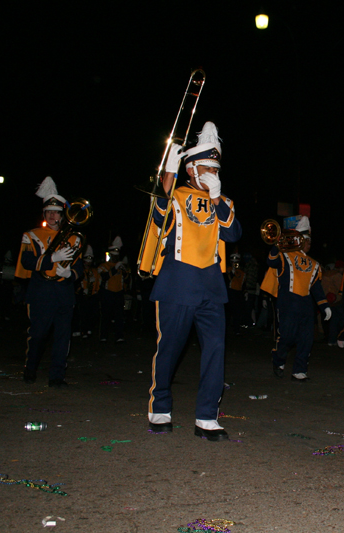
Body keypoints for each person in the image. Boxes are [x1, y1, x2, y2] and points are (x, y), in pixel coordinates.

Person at [145, 121, 241, 441]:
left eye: (216, 167)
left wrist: (216, 197)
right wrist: (167, 174)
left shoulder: (223, 201)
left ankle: (206, 417)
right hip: (177, 282)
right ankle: (160, 407)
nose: (212, 172)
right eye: (206, 166)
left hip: (212, 286)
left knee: (215, 348)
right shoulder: (174, 195)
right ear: (191, 169)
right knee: (170, 348)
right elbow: (158, 217)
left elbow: (233, 233)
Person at [15, 177, 84, 387]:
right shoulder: (31, 235)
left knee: (63, 338)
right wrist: (50, 259)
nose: (53, 216)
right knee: (37, 336)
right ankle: (30, 369)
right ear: (44, 214)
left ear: (63, 215)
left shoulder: (75, 238)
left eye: (57, 212)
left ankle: (57, 376)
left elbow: (79, 268)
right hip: (41, 292)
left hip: (64, 293)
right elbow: (26, 261)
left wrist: (69, 274)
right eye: (49, 212)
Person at [266, 216, 332, 381]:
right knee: (287, 336)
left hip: (305, 305)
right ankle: (279, 359)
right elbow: (271, 261)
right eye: (305, 240)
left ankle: (299, 370)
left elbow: (316, 287)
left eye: (310, 240)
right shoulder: (284, 256)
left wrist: (325, 306)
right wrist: (277, 243)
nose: (309, 243)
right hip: (288, 302)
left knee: (306, 339)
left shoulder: (314, 264)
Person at [97, 236, 128, 343]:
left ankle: (119, 335)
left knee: (119, 316)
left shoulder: (120, 265)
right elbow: (103, 277)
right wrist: (114, 269)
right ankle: (103, 335)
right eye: (113, 255)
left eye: (117, 255)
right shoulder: (103, 265)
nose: (115, 258)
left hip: (118, 293)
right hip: (107, 293)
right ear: (110, 255)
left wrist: (124, 271)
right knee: (106, 315)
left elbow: (127, 279)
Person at [74, 245, 100, 339]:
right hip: (80, 295)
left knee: (90, 313)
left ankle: (88, 329)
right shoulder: (79, 270)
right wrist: (81, 290)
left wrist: (95, 291)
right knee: (79, 313)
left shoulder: (94, 271)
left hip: (91, 295)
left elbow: (98, 282)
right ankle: (78, 329)